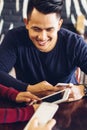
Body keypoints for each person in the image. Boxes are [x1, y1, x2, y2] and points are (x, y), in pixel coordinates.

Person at [0, 0, 87, 101]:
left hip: (68, 104)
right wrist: (29, 88)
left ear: (59, 25)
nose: (42, 37)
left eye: (49, 29)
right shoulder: (14, 38)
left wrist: (82, 90)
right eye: (36, 29)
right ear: (27, 23)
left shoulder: (74, 43)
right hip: (29, 104)